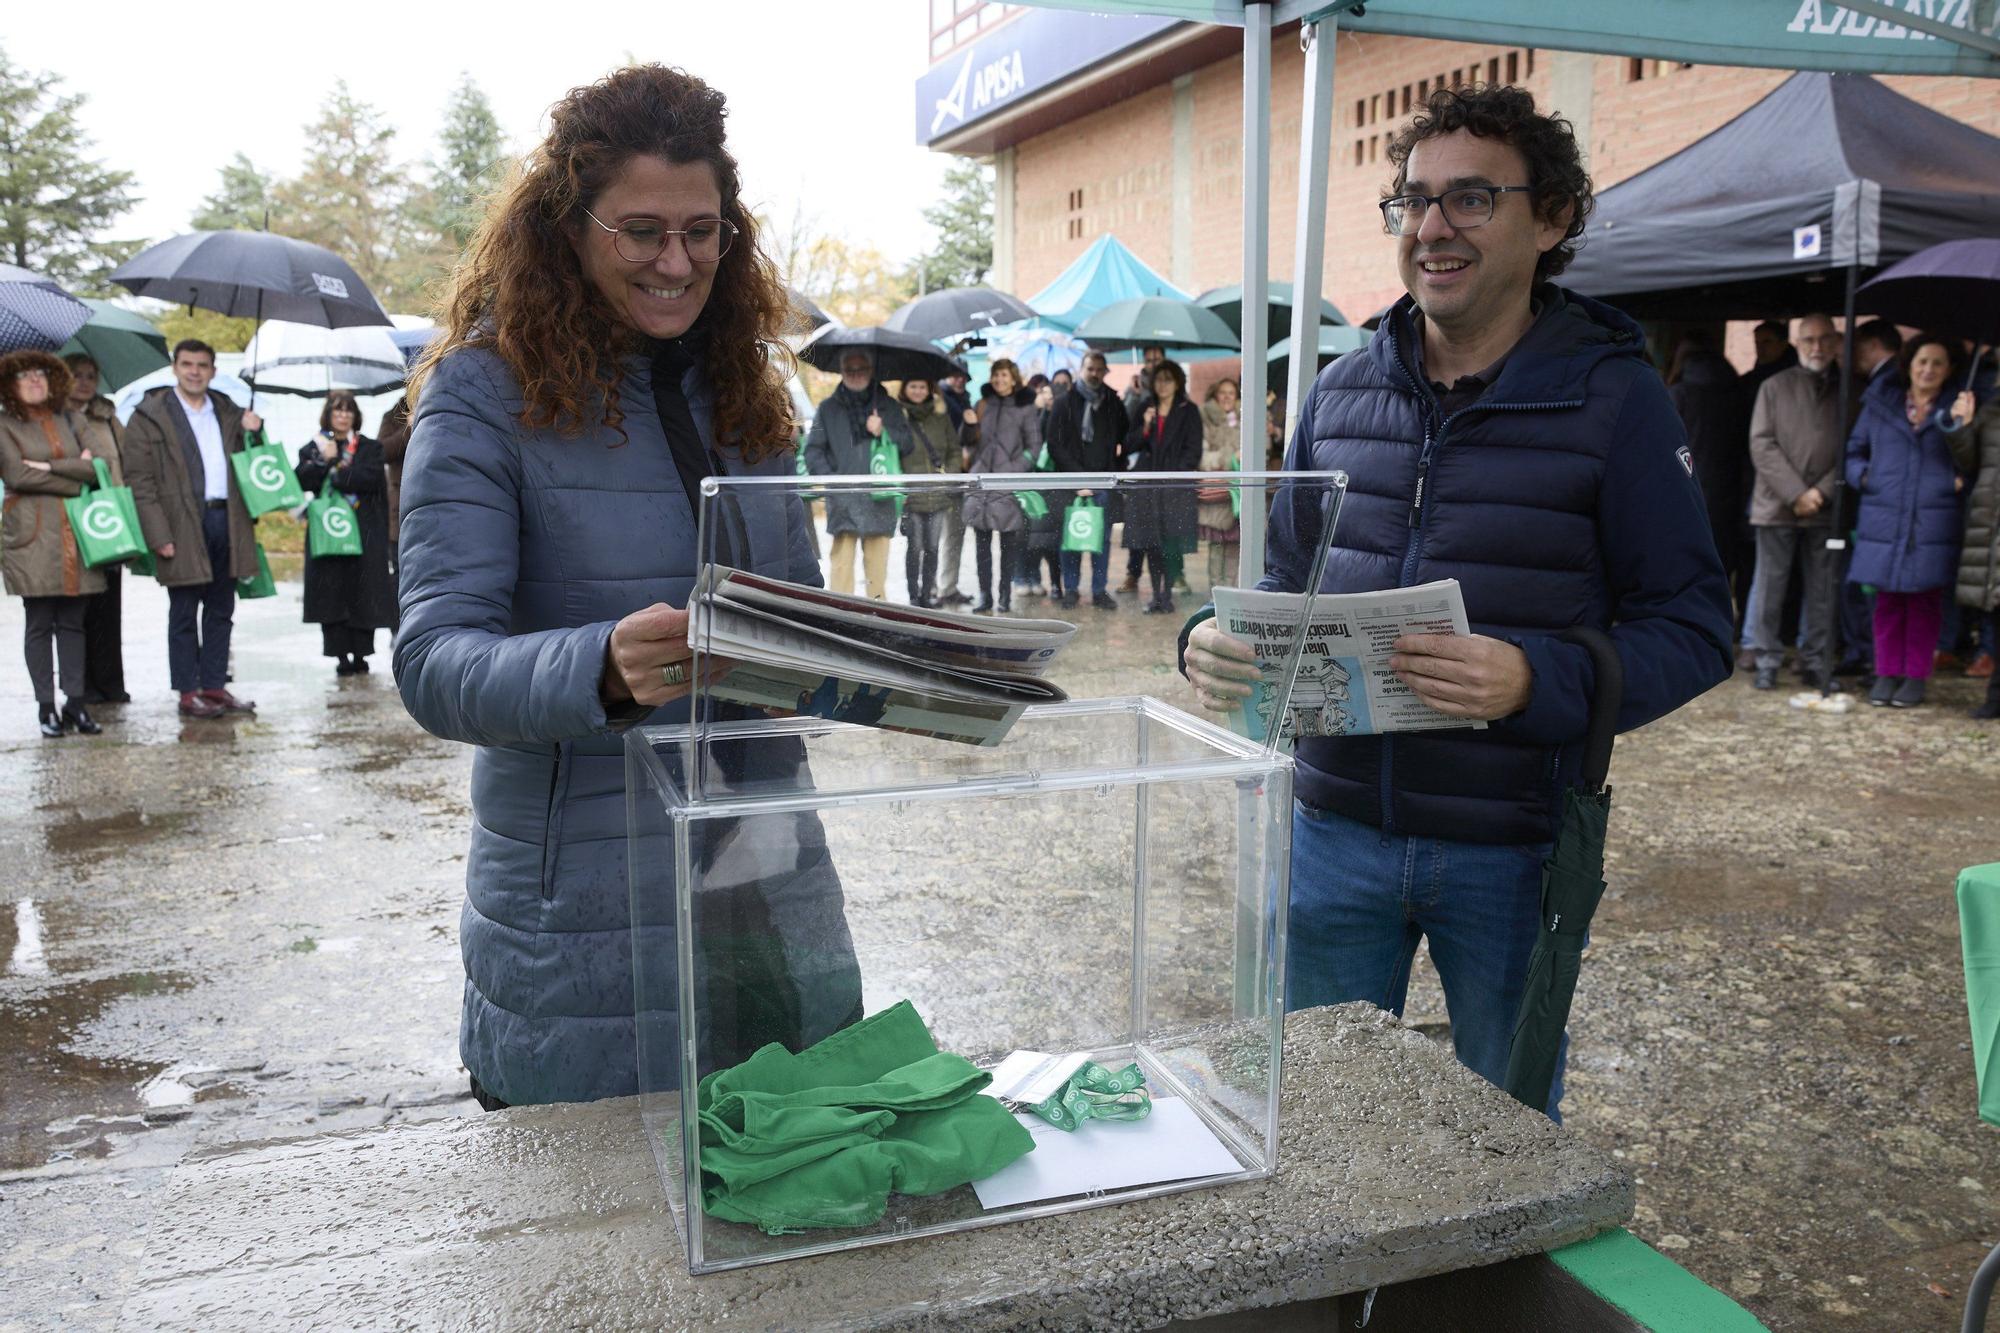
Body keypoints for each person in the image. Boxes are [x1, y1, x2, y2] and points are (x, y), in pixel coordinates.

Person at [1182, 84, 1731, 1120]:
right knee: (1312, 1118)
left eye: (1471, 199)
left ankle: (1482, 1289)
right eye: (1412, 201)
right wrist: (1212, 635)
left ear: (1552, 219)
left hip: (1511, 845)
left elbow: (1694, 629)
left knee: (1502, 1137)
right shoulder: (1341, 392)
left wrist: (1532, 677)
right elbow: (1286, 580)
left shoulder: (1614, 398)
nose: (1430, 227)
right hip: (1330, 828)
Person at [396, 64, 859, 1108]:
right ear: (569, 227)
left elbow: (797, 605)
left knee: (791, 1201)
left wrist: (871, 659)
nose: (677, 260)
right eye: (641, 231)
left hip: (767, 872)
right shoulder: (480, 396)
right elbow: (431, 665)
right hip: (588, 908)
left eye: (703, 231)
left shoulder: (747, 390)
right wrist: (598, 667)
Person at [122, 340, 262, 719]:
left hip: (226, 518)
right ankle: (188, 691)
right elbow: (139, 481)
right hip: (179, 522)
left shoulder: (228, 410)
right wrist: (158, 534)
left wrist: (255, 431)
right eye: (188, 364)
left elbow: (254, 466)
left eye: (203, 364)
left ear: (213, 370)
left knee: (221, 609)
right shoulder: (149, 416)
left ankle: (214, 687)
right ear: (175, 368)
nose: (195, 371)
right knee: (184, 611)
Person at [1847, 334, 1977, 709]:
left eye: (1938, 363)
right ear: (1909, 365)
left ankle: (1915, 676)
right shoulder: (1880, 404)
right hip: (1884, 512)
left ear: (1949, 369)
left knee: (1924, 602)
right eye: (1922, 361)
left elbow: (1971, 461)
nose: (1928, 370)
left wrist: (1960, 432)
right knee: (1886, 601)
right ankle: (1886, 672)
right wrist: (1866, 478)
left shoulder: (1956, 408)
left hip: (1932, 517)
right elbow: (1854, 452)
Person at [0, 351, 106, 738]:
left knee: (74, 621)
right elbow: (16, 473)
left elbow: (99, 467)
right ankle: (46, 706)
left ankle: (76, 703)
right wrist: (72, 473)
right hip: (31, 534)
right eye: (24, 375)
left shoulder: (72, 418)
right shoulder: (4, 424)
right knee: (40, 620)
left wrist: (48, 467)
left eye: (41, 374)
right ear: (10, 383)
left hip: (76, 532)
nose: (34, 381)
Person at [1744, 314, 1845, 692]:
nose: (1816, 348)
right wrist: (1796, 493)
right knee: (1771, 588)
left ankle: (1816, 661)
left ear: (1836, 342)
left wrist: (1821, 491)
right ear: (1796, 343)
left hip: (1824, 506)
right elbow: (1762, 443)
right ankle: (1767, 659)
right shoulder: (1774, 386)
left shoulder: (1848, 389)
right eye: (1808, 340)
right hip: (1777, 504)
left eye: (1823, 340)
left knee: (1822, 590)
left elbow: (1853, 445)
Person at [293, 391, 399, 675]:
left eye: (348, 411)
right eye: (337, 411)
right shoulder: (314, 448)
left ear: (355, 416)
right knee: (333, 594)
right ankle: (340, 655)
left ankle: (362, 655)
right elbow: (301, 479)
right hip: (328, 534)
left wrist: (337, 471)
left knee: (362, 593)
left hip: (363, 532)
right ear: (328, 415)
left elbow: (370, 477)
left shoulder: (369, 447)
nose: (342, 416)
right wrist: (324, 461)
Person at [804, 349, 909, 600]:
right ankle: (841, 620)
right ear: (841, 372)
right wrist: (833, 480)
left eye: (861, 368)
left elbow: (907, 444)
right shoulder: (827, 408)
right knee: (841, 571)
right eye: (849, 369)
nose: (855, 374)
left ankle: (878, 619)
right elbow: (813, 450)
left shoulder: (888, 406)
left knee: (877, 572)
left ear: (871, 371)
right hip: (843, 499)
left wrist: (883, 429)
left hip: (879, 497)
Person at [1665, 333, 1751, 640]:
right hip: (1728, 493)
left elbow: (1663, 449)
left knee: (1682, 567)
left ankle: (1686, 629)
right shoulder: (1738, 394)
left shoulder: (1678, 394)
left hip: (1684, 492)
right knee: (1721, 566)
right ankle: (1717, 627)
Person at [1835, 320, 1905, 679]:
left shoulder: (1888, 384)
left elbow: (1858, 446)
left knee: (1871, 589)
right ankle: (1873, 657)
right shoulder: (1882, 383)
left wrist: (1865, 477)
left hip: (1882, 503)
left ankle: (1871, 656)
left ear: (1873, 344)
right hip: (1880, 497)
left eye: (1858, 347)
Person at [62, 353, 131, 705]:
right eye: (76, 375)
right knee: (78, 610)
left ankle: (110, 681)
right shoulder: (55, 417)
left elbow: (126, 463)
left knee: (109, 606)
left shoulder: (108, 419)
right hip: (74, 519)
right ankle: (80, 685)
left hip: (110, 519)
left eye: (91, 375)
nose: (85, 382)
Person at [1046, 349, 1128, 610]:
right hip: (1072, 484)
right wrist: (1077, 480)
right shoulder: (1064, 401)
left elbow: (1125, 433)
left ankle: (1099, 590)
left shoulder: (1112, 401)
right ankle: (1071, 589)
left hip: (1103, 482)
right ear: (1081, 369)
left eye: (1099, 369)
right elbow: (1054, 444)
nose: (1094, 374)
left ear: (1105, 372)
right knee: (1071, 539)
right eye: (1090, 368)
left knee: (1101, 540)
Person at [1121, 357, 1201, 615]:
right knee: (1151, 543)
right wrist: (1145, 426)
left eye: (1168, 379)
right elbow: (1129, 445)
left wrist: (1174, 475)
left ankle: (1167, 595)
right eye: (1159, 379)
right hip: (1148, 488)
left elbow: (1193, 450)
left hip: (1175, 489)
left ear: (1177, 382)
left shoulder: (1188, 410)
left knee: (1171, 543)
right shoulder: (1146, 406)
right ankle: (1156, 595)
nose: (1163, 384)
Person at [962, 358, 1035, 613]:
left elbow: (1034, 448)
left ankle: (1004, 595)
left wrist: (1013, 471)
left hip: (1007, 484)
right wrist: (970, 424)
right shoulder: (982, 404)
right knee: (982, 546)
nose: (999, 380)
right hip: (981, 482)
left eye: (1004, 375)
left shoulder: (1025, 408)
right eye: (996, 375)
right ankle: (985, 595)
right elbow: (969, 443)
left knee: (1008, 546)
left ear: (1013, 378)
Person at [1951, 395, 2000, 717]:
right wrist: (1961, 426)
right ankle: (1996, 696)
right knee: (1995, 612)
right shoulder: (1991, 410)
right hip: (1991, 519)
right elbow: (1967, 461)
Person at [896, 377, 963, 607]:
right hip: (911, 496)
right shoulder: (897, 417)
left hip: (938, 494)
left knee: (933, 548)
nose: (917, 390)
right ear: (905, 389)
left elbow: (954, 449)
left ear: (929, 389)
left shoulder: (940, 416)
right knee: (914, 548)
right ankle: (914, 596)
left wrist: (949, 476)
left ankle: (927, 595)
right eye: (912, 385)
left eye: (922, 386)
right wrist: (899, 487)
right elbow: (891, 452)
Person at [1119, 344, 1166, 594]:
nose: (1153, 363)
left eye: (1157, 358)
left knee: (1164, 529)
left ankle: (1169, 580)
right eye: (1149, 360)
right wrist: (1135, 398)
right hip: (1141, 470)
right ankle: (1133, 574)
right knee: (1137, 528)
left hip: (1166, 472)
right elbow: (1128, 437)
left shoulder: (1176, 394)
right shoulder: (1137, 394)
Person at [1198, 377, 1244, 591]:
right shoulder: (1205, 417)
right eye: (1222, 392)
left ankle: (1232, 592)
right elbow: (1202, 457)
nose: (1227, 397)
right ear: (1215, 395)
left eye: (1231, 393)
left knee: (1235, 545)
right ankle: (1214, 594)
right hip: (1217, 493)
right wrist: (1229, 456)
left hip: (1239, 492)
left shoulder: (1245, 418)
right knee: (1216, 547)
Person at [934, 372, 975, 605]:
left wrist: (971, 424)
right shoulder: (940, 397)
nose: (959, 380)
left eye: (963, 377)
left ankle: (947, 586)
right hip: (936, 477)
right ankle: (933, 586)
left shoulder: (965, 400)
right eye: (955, 376)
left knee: (954, 534)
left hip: (958, 475)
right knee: (930, 538)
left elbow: (967, 439)